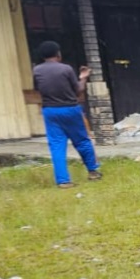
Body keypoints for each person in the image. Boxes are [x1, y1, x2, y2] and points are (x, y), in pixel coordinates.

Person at [32, 40, 101, 189]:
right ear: (58, 54)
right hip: (70, 109)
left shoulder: (37, 70)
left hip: (50, 111)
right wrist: (83, 77)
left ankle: (63, 181)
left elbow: (39, 89)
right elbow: (78, 90)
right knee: (82, 141)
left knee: (57, 145)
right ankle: (93, 171)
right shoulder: (66, 69)